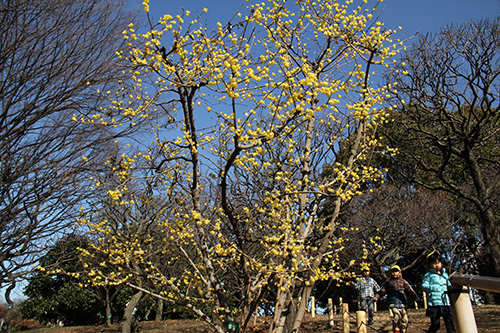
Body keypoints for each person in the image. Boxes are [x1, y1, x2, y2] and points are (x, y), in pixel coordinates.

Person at [422, 250, 456, 333]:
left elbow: (448, 285)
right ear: (429, 265)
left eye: (438, 262)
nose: (436, 265)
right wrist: (433, 288)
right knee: (435, 324)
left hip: (445, 303)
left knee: (450, 324)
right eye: (434, 263)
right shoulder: (428, 275)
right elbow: (424, 286)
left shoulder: (445, 275)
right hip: (434, 304)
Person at [376, 264, 417, 333]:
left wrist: (415, 296)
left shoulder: (403, 282)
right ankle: (396, 330)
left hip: (403, 303)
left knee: (405, 319)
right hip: (393, 303)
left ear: (400, 273)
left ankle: (403, 330)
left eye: (396, 271)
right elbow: (382, 291)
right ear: (390, 273)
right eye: (392, 271)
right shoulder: (388, 282)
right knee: (396, 317)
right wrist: (377, 297)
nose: (394, 273)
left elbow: (410, 290)